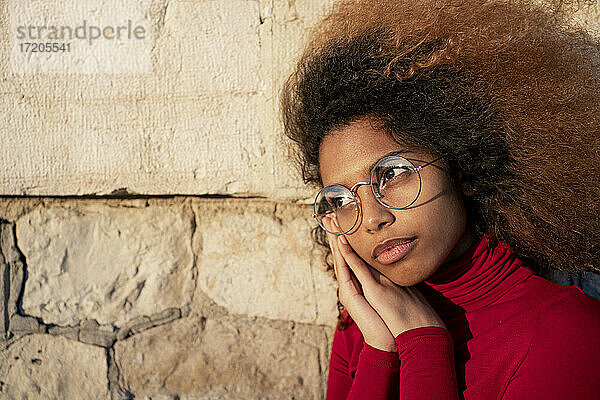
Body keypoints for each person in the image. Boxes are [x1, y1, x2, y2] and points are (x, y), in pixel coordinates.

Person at [279, 0, 600, 398]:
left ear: (462, 168)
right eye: (342, 197)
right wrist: (383, 350)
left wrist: (423, 346)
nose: (370, 219)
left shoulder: (565, 334)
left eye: (392, 174)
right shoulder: (366, 321)